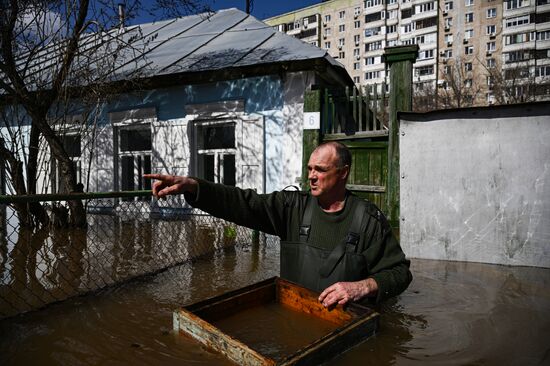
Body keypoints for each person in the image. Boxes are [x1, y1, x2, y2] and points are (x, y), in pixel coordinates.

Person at [144, 141, 412, 308]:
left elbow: (400, 273)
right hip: (296, 315)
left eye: (320, 170)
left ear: (343, 173)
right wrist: (195, 187)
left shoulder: (368, 220)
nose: (312, 177)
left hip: (347, 326)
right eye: (309, 169)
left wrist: (361, 287)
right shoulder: (292, 207)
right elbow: (244, 203)